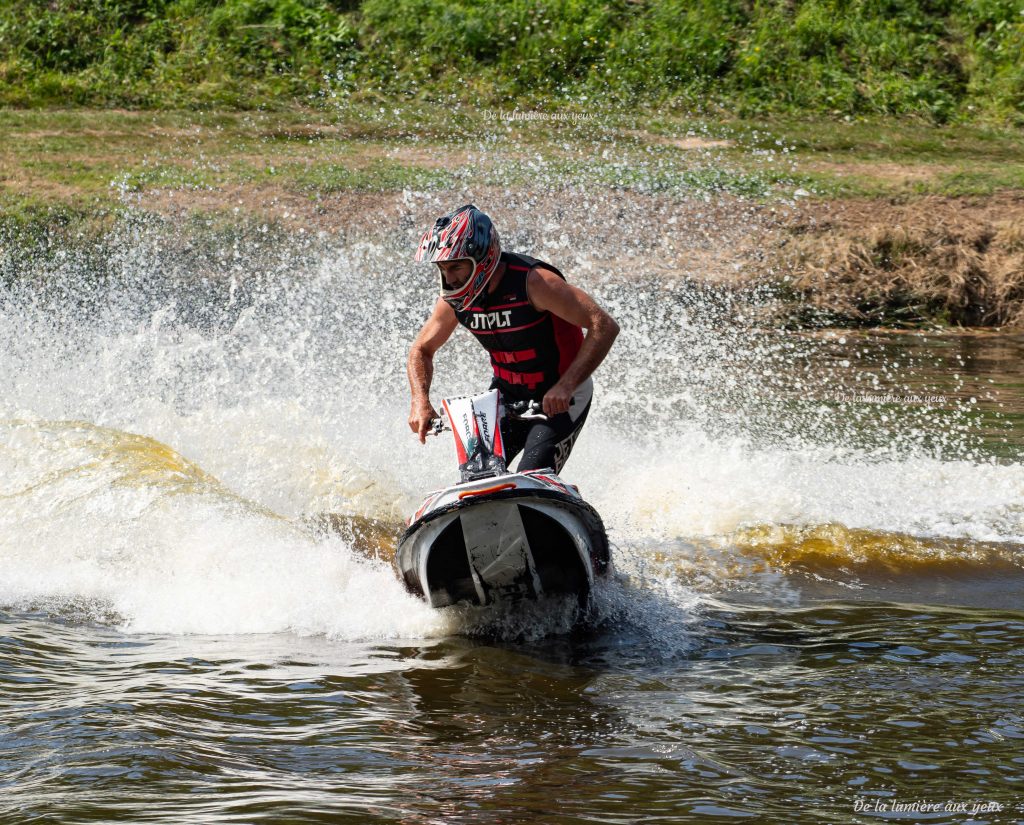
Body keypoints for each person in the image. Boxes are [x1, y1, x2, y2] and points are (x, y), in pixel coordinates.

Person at [407, 204, 619, 473]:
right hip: (505, 397)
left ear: (483, 258)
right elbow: (421, 350)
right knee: (478, 477)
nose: (449, 279)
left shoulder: (535, 283)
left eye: (457, 267)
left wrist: (566, 386)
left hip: (563, 397)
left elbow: (603, 326)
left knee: (531, 474)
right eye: (443, 269)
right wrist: (420, 402)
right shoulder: (453, 300)